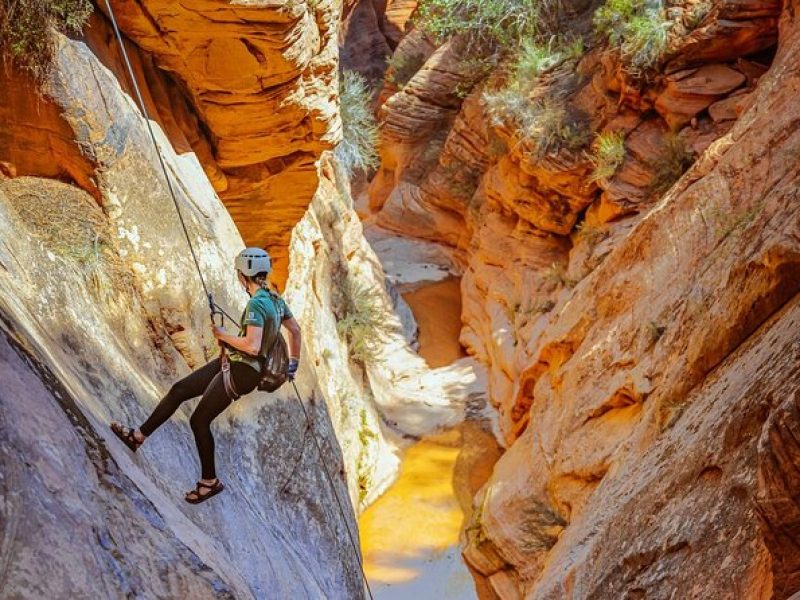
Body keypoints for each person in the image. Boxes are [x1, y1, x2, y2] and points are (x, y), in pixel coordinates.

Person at [110, 247, 302, 504]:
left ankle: (209, 482)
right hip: (235, 364)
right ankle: (137, 437)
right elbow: (296, 331)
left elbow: (253, 346)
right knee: (180, 390)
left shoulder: (257, 303)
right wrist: (293, 364)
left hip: (242, 371)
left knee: (199, 420)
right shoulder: (276, 300)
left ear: (243, 274)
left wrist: (223, 335)